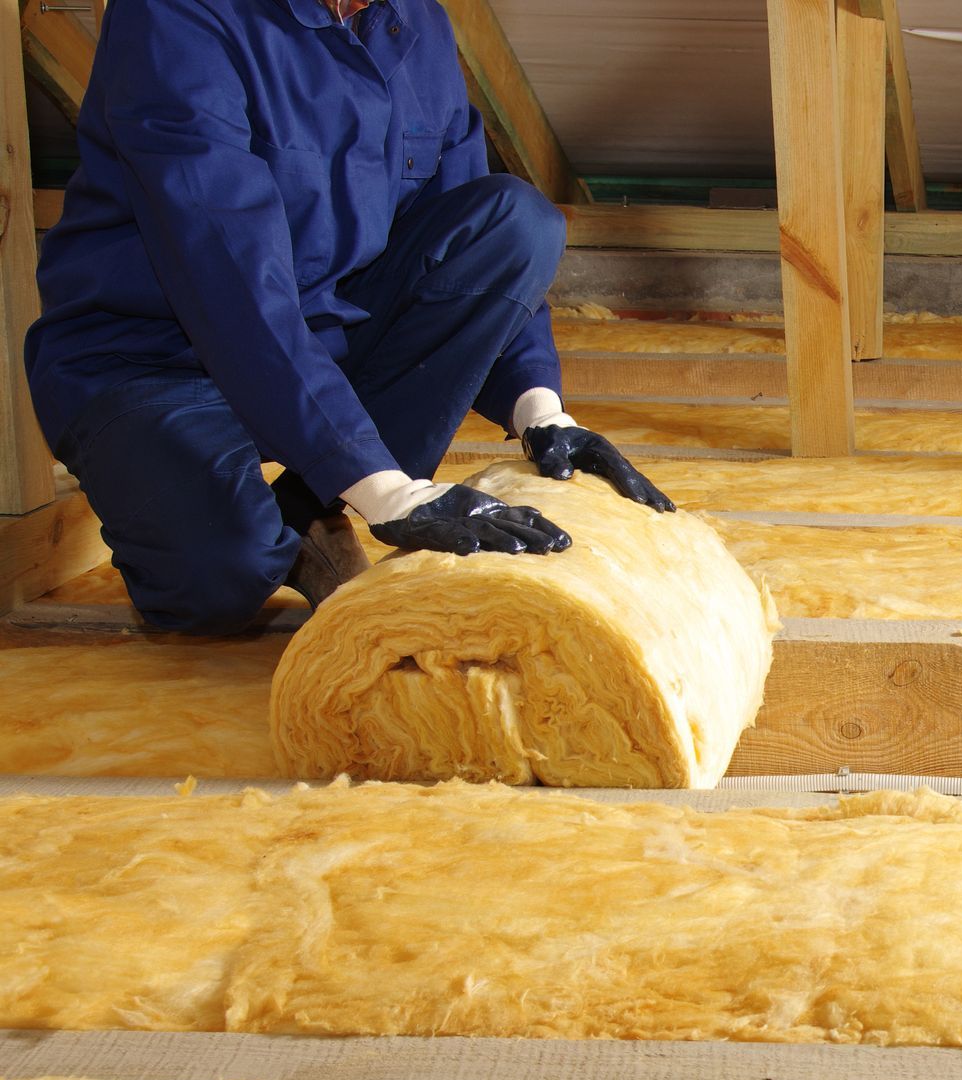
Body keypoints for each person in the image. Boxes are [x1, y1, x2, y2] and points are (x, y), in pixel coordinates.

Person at [25, 0, 674, 635]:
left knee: (515, 224)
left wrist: (542, 413)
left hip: (324, 339)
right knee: (222, 581)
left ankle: (314, 501)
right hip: (152, 359)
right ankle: (304, 507)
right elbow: (230, 281)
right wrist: (390, 496)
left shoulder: (415, 22)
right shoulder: (173, 15)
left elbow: (473, 232)